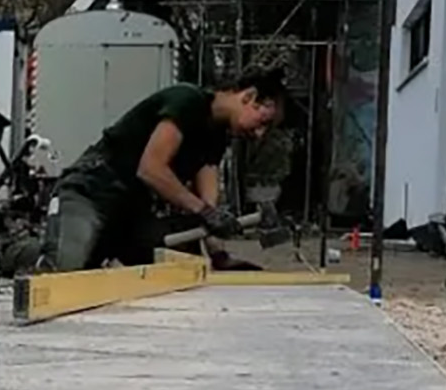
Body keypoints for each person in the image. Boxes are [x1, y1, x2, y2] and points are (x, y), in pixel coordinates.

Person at [36, 67, 288, 273]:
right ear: (248, 97)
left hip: (130, 211)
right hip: (91, 190)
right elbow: (151, 169)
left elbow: (206, 207)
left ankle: (89, 249)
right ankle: (18, 252)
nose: (259, 134)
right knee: (64, 269)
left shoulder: (216, 137)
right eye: (262, 122)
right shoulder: (187, 101)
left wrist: (218, 252)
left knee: (179, 266)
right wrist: (204, 211)